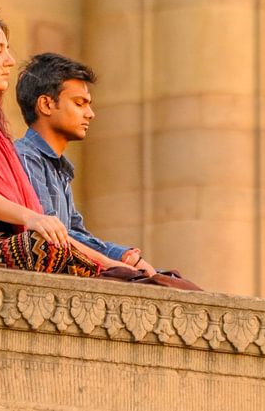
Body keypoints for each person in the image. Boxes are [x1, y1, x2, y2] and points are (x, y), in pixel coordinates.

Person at [0, 12, 120, 276]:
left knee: (112, 268)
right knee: (45, 243)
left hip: (10, 246)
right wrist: (30, 217)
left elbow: (57, 230)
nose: (10, 60)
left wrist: (113, 263)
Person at [14, 53, 157, 277]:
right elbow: (48, 236)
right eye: (79, 103)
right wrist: (112, 264)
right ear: (46, 104)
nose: (90, 114)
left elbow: (74, 233)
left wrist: (124, 256)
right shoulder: (25, 157)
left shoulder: (59, 168)